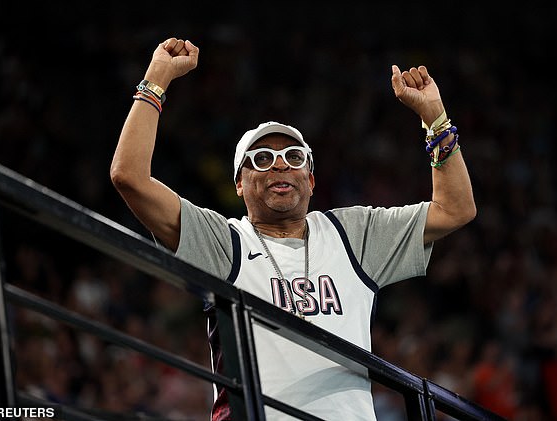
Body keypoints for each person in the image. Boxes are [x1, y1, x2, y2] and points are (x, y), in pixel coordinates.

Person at [110, 37, 476, 420]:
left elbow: (455, 209)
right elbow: (129, 177)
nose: (280, 165)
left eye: (293, 157)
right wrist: (155, 81)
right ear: (239, 183)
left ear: (311, 180)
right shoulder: (223, 241)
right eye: (263, 158)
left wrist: (436, 119)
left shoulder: (353, 234)